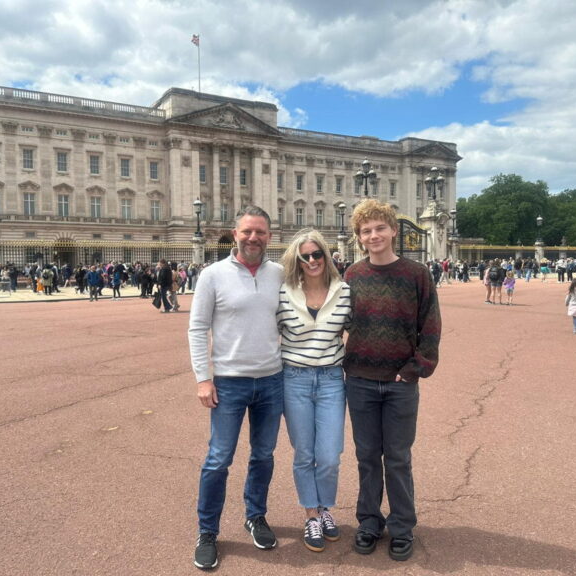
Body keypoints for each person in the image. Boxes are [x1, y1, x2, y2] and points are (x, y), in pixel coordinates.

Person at [342, 199, 441, 562]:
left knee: (397, 458)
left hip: (400, 381)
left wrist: (416, 368)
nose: (374, 235)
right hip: (360, 379)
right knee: (367, 456)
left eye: (380, 228)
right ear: (360, 237)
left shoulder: (417, 274)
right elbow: (341, 323)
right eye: (366, 231)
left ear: (394, 231)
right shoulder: (352, 275)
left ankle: (402, 526)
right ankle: (369, 521)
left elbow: (430, 326)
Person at [188, 206, 284, 570]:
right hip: (229, 381)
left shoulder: (279, 273)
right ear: (235, 234)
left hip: (272, 379)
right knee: (218, 459)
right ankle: (207, 531)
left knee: (264, 455)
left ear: (269, 237)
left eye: (260, 232)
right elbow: (197, 328)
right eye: (247, 232)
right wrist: (202, 377)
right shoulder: (212, 275)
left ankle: (255, 515)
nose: (253, 238)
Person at [277, 229, 351, 553]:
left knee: (329, 455)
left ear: (326, 255)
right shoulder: (284, 292)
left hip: (333, 379)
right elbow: (267, 333)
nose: (311, 260)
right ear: (297, 260)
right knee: (304, 453)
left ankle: (325, 507)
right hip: (294, 379)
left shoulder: (344, 291)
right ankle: (312, 513)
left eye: (316, 254)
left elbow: (359, 331)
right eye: (304, 256)